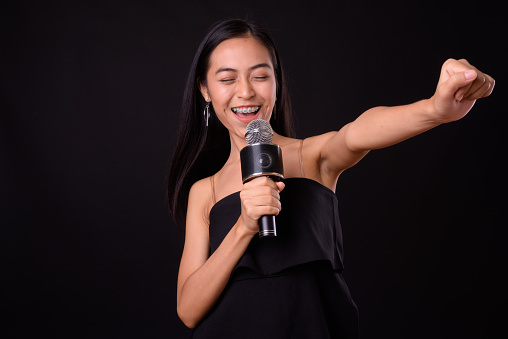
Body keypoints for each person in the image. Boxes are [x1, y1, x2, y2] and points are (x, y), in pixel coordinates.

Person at [167, 18, 494, 338]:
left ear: (277, 82)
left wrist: (434, 109)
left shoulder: (312, 157)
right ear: (204, 89)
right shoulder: (205, 191)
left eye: (260, 76)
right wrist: (243, 228)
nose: (245, 92)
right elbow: (189, 309)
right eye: (227, 79)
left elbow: (356, 134)